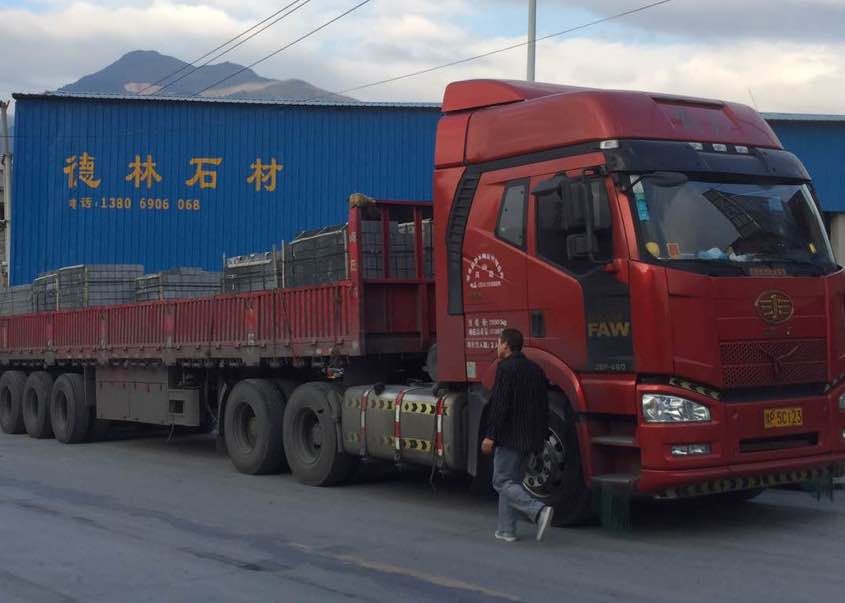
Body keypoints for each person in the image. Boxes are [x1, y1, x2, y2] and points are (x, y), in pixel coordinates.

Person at [481, 328, 554, 543]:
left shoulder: (505, 368)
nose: (497, 347)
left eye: (498, 343)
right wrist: (540, 439)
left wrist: (490, 435)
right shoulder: (536, 370)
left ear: (505, 345)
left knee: (501, 481)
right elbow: (543, 406)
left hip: (510, 436)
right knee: (512, 482)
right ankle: (506, 530)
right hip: (530, 437)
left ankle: (538, 511)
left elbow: (500, 405)